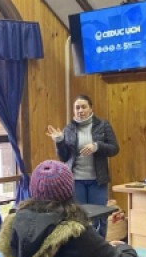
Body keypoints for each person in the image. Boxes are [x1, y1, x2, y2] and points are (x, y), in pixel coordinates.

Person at [0, 160, 139, 257]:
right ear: (69, 190)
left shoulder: (13, 227)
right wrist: (123, 247)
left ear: (33, 189)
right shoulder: (78, 236)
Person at [47, 94, 119, 238]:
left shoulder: (103, 125)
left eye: (84, 107)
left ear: (91, 108)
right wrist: (59, 141)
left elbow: (114, 149)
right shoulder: (69, 129)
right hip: (75, 180)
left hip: (97, 181)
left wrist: (97, 146)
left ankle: (100, 246)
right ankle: (82, 247)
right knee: (78, 217)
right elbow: (63, 157)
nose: (80, 110)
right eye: (77, 108)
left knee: (100, 217)